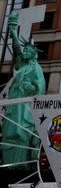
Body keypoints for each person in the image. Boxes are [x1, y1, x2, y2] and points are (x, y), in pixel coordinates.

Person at [1, 11, 45, 170]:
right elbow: (17, 51)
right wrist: (13, 30)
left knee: (21, 134)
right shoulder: (22, 65)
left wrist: (31, 88)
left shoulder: (36, 68)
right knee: (10, 132)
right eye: (25, 50)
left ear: (34, 54)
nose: (25, 52)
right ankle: (7, 164)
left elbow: (40, 89)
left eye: (28, 51)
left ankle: (21, 166)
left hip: (25, 108)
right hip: (15, 105)